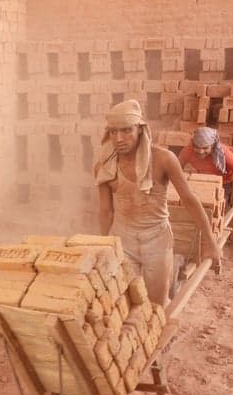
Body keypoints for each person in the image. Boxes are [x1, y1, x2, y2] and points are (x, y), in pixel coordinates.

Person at [95, 100, 221, 306]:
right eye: (113, 132)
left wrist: (210, 242)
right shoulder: (104, 166)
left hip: (156, 238)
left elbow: (189, 199)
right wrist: (103, 244)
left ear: (140, 129)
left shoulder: (163, 159)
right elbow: (105, 210)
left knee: (157, 302)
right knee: (125, 301)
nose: (119, 138)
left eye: (127, 130)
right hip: (123, 238)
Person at [177, 127, 233, 206]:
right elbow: (177, 167)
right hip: (204, 180)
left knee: (218, 207)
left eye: (205, 148)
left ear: (212, 146)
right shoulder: (187, 151)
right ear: (192, 144)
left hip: (224, 183)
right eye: (197, 147)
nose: (201, 152)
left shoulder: (224, 155)